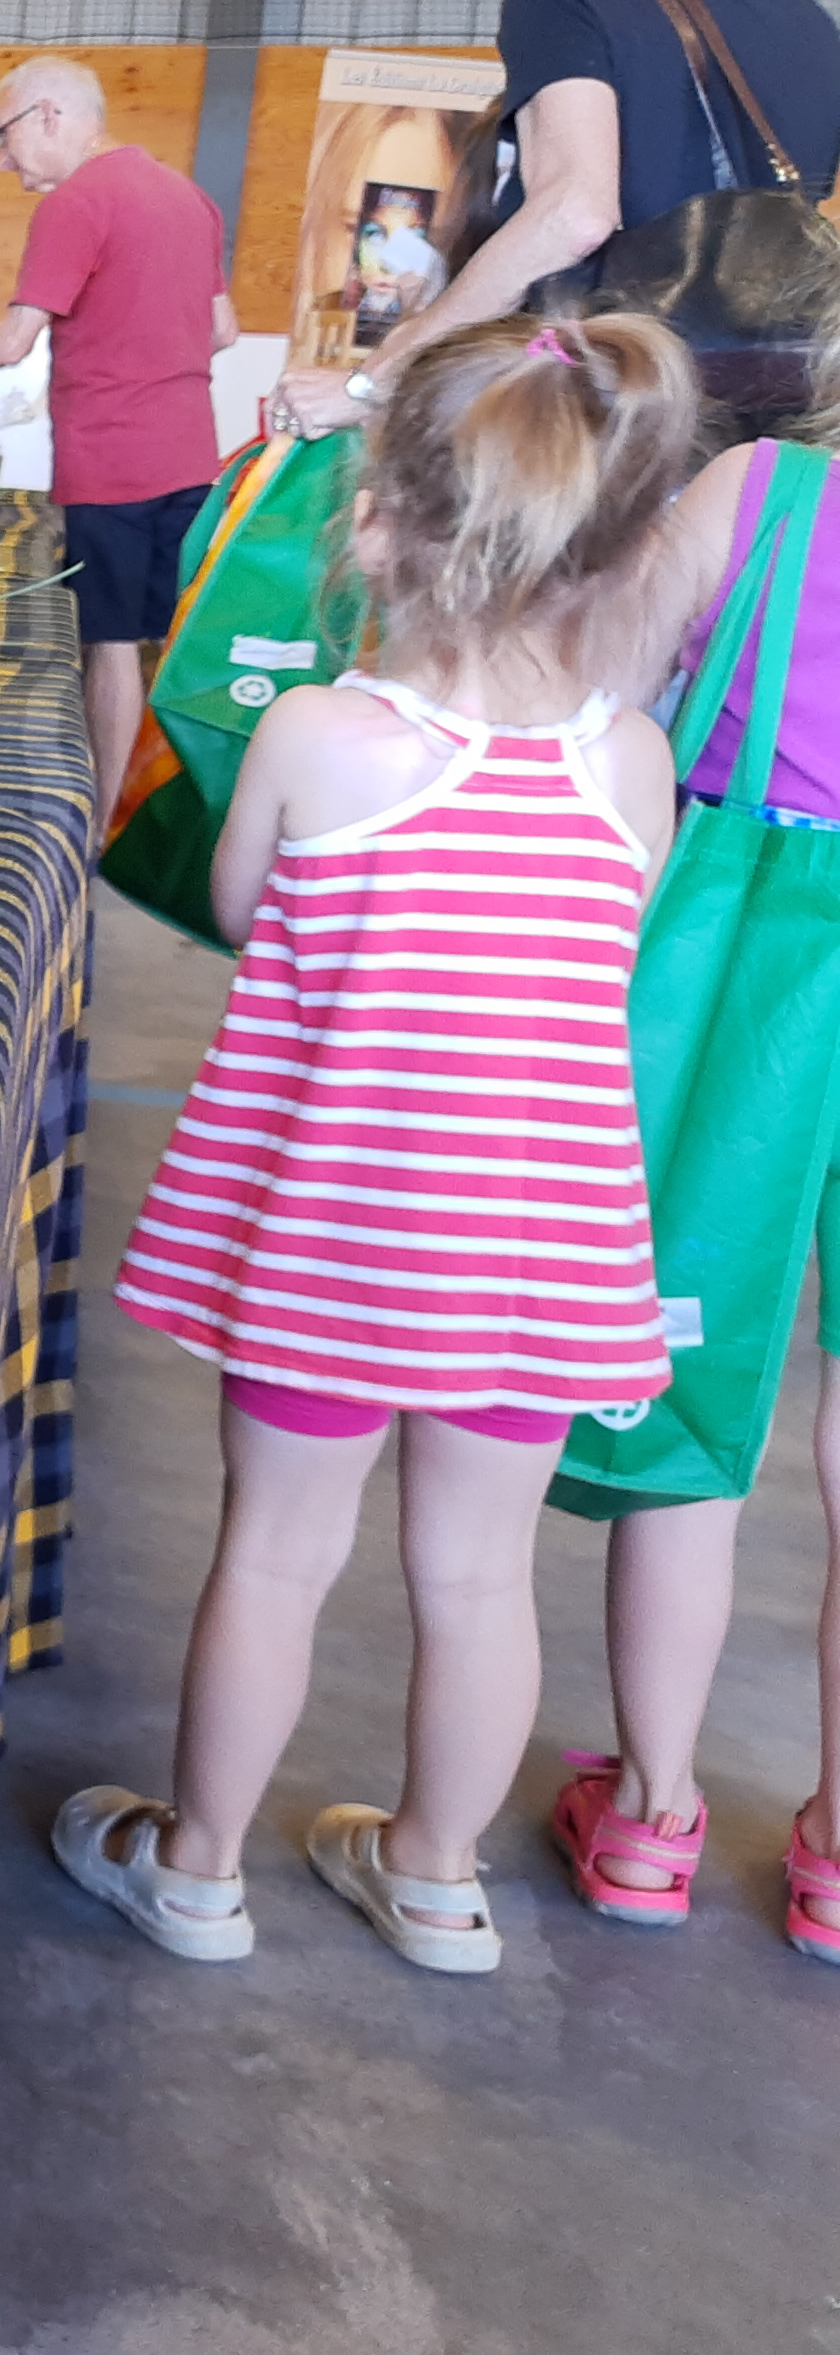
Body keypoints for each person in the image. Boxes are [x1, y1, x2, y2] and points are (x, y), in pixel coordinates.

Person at [58, 313, 695, 1977]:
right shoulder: (630, 768)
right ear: (622, 544)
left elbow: (240, 906)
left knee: (275, 1549)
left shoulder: (318, 742)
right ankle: (432, 1876)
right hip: (532, 1250)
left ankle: (197, 1870)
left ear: (377, 524)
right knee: (480, 1577)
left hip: (339, 1232)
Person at [537, 413, 840, 1959]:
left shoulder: (768, 492)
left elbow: (590, 680)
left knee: (683, 1372)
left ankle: (651, 1817)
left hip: (750, 960)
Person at [277, 0, 840, 439]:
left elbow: (573, 214)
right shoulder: (810, 24)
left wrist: (373, 380)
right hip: (755, 435)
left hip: (596, 421)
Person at [0, 55, 235, 842]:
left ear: (48, 115)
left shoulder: (76, 203)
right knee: (170, 642)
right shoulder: (191, 198)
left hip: (112, 467)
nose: (2, 160)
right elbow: (223, 330)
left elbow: (11, 342)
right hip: (194, 457)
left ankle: (100, 831)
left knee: (111, 648)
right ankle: (171, 820)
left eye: (4, 139)